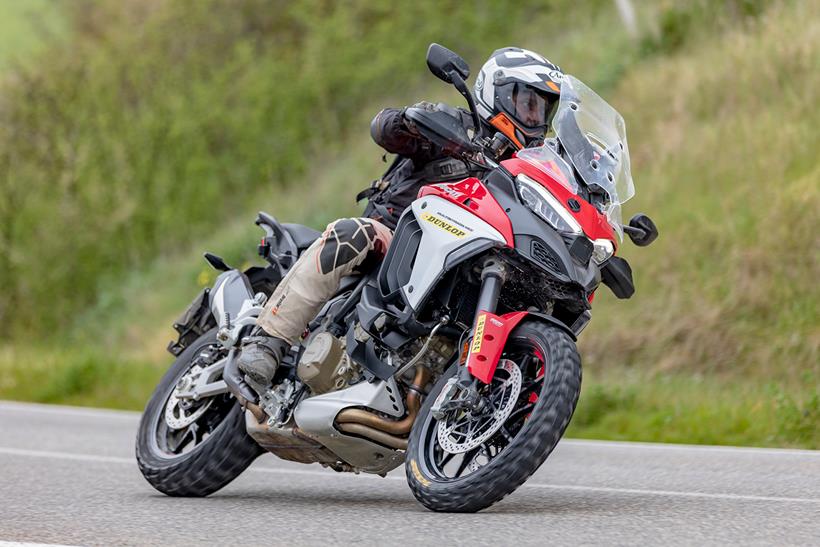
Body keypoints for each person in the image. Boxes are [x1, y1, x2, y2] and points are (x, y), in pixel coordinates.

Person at [238, 47, 565, 386]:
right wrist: (411, 122)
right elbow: (384, 129)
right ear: (496, 92)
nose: (535, 118)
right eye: (528, 103)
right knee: (354, 233)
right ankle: (269, 339)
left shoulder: (525, 170)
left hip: (461, 261)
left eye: (543, 109)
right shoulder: (456, 127)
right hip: (400, 239)